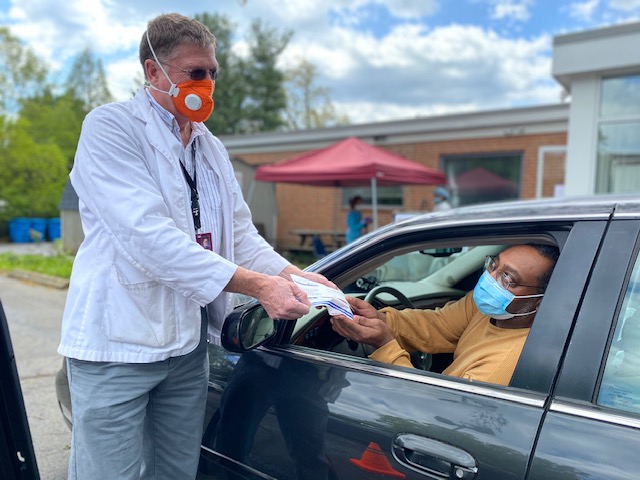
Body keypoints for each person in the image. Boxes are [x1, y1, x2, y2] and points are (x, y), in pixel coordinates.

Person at [58, 13, 333, 480]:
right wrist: (257, 286)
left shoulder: (210, 148)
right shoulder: (110, 128)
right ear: (153, 72)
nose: (207, 84)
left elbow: (241, 235)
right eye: (196, 73)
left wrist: (290, 274)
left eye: (213, 73)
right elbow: (147, 236)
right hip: (118, 346)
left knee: (176, 472)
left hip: (185, 350)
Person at [331, 244, 559, 386]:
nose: (490, 279)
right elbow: (439, 325)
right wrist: (381, 320)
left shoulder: (506, 364)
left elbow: (437, 413)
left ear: (540, 303)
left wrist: (384, 345)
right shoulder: (488, 309)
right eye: (494, 266)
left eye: (508, 278)